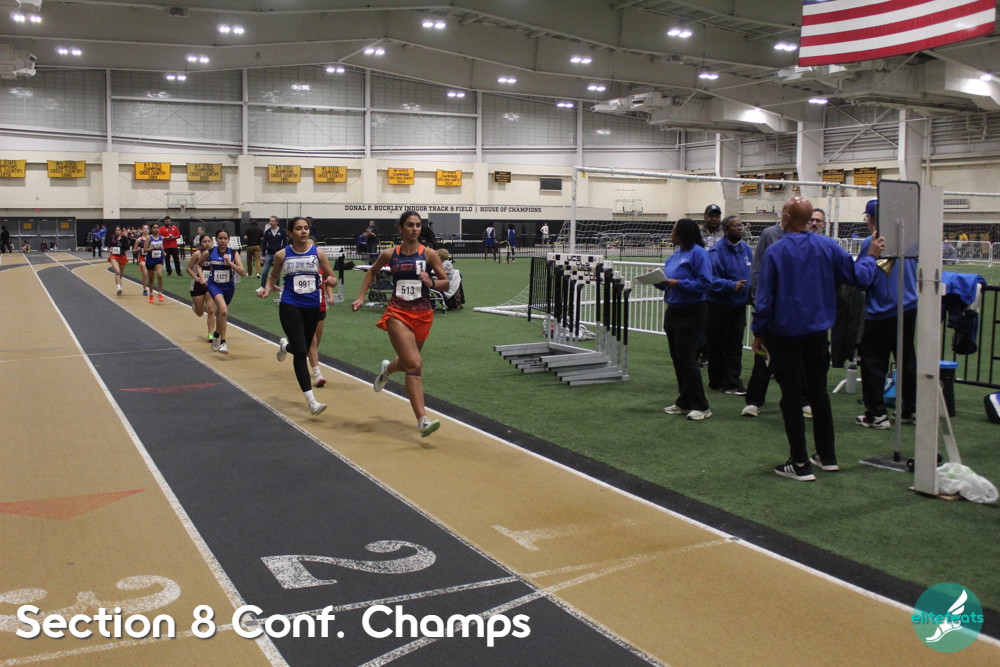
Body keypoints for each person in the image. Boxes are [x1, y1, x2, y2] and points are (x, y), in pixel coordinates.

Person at [751, 197, 882, 481]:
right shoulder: (828, 246)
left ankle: (799, 463)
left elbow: (765, 297)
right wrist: (871, 255)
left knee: (791, 397)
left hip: (785, 334)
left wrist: (759, 332)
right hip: (818, 334)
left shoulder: (776, 251)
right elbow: (859, 278)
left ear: (786, 218)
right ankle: (827, 455)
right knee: (818, 393)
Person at [351, 211, 449, 437]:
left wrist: (431, 282)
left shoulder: (429, 254)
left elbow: (445, 282)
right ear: (401, 228)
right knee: (414, 364)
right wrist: (361, 297)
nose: (415, 229)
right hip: (398, 313)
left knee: (407, 363)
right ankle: (422, 420)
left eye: (418, 225)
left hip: (423, 314)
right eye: (410, 225)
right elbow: (371, 272)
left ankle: (387, 369)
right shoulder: (390, 254)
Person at [262, 216, 335, 416]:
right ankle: (311, 401)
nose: (303, 231)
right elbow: (273, 276)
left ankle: (285, 347)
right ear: (290, 233)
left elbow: (331, 277)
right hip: (290, 304)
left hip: (312, 306)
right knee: (302, 352)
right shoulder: (282, 254)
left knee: (303, 346)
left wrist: (331, 281)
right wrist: (267, 288)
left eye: (306, 228)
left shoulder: (318, 253)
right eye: (299, 228)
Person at [855, 199, 918, 429]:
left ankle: (877, 414)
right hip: (908, 306)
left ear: (871, 218)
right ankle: (910, 409)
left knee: (873, 362)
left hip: (882, 310)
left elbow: (862, 279)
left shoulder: (872, 243)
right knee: (906, 358)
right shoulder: (908, 239)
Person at [656, 218, 713, 421]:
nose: (671, 234)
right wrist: (658, 281)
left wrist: (679, 284)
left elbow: (705, 283)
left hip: (692, 311)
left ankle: (701, 405)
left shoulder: (699, 254)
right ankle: (684, 401)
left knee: (687, 359)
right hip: (673, 311)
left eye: (674, 231)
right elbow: (668, 283)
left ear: (683, 233)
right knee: (678, 359)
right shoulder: (675, 255)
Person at [707, 215, 752, 395]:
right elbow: (710, 279)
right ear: (726, 230)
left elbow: (752, 274)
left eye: (741, 225)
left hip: (738, 306)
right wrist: (731, 285)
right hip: (719, 306)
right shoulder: (716, 252)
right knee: (718, 345)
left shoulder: (746, 250)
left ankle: (731, 381)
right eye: (735, 226)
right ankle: (717, 380)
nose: (740, 228)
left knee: (735, 345)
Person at [206, 229, 246, 354]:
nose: (223, 241)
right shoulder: (210, 252)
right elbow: (197, 264)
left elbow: (242, 272)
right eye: (220, 238)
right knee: (223, 310)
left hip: (228, 287)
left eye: (225, 238)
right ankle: (223, 342)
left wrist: (229, 263)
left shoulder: (233, 253)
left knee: (221, 314)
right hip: (214, 285)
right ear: (216, 239)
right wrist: (200, 277)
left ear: (228, 240)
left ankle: (216, 334)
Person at [307, 264, 339, 388]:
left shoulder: (322, 268)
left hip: (320, 308)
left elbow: (328, 284)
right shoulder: (303, 267)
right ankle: (318, 374)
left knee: (316, 343)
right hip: (305, 307)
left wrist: (330, 297)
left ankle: (286, 347)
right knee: (312, 341)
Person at [185, 234, 217, 343]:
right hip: (197, 285)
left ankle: (211, 334)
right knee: (200, 313)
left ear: (212, 242)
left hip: (210, 285)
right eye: (204, 242)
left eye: (209, 241)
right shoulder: (197, 254)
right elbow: (188, 268)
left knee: (211, 309)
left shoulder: (215, 253)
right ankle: (195, 307)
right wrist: (196, 278)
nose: (207, 244)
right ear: (200, 243)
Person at [260, 216, 289, 290]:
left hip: (278, 254)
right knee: (265, 271)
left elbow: (285, 243)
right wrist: (263, 255)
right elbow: (264, 244)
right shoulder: (267, 232)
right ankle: (263, 286)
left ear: (276, 222)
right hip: (269, 253)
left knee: (277, 271)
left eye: (272, 221)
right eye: (270, 221)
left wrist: (284, 253)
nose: (271, 222)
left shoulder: (282, 231)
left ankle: (276, 286)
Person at [141, 222, 166, 303]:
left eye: (157, 228)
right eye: (154, 228)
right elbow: (145, 250)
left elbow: (161, 247)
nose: (156, 229)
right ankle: (151, 294)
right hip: (150, 260)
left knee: (159, 275)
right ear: (152, 229)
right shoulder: (149, 238)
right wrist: (153, 248)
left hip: (159, 259)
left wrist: (163, 252)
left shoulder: (161, 237)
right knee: (151, 279)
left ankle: (160, 293)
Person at [107, 227, 130, 296]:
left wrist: (121, 240)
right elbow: (109, 245)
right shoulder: (112, 237)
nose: (117, 231)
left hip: (122, 256)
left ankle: (119, 283)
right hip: (114, 256)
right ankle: (118, 288)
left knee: (121, 274)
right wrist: (109, 248)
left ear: (121, 231)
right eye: (116, 230)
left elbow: (127, 247)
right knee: (117, 271)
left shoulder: (124, 237)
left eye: (119, 230)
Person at [133, 224, 151, 297]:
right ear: (142, 230)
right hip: (142, 258)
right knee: (145, 274)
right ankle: (145, 289)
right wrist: (137, 249)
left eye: (147, 228)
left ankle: (148, 286)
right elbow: (134, 251)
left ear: (149, 230)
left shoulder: (151, 238)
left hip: (150, 258)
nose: (145, 230)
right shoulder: (139, 240)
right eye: (144, 228)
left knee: (150, 275)